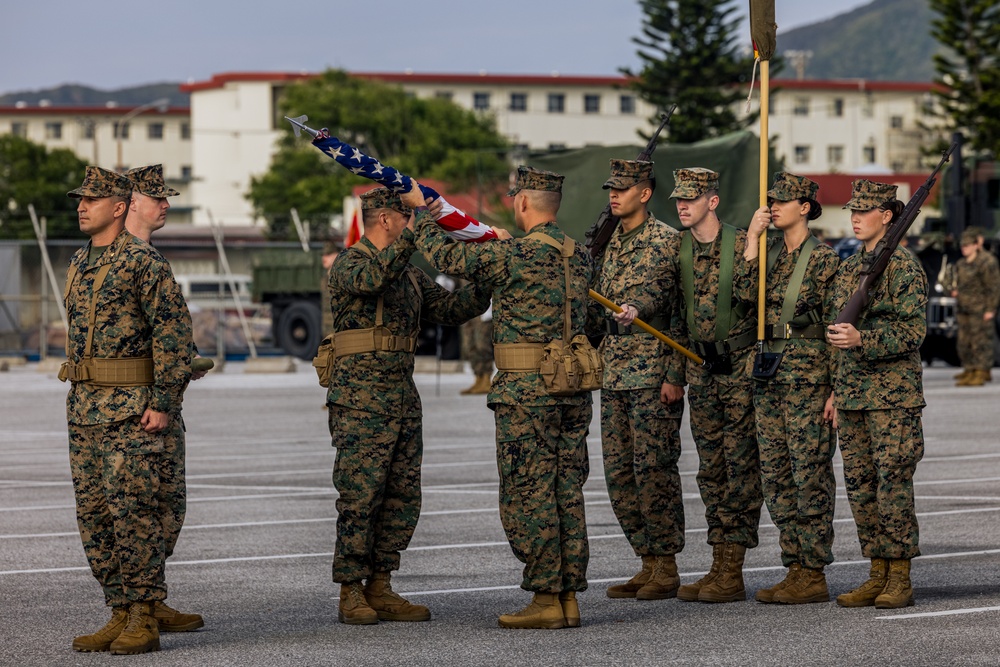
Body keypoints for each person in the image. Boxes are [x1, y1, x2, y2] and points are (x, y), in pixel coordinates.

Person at [411, 166, 597, 629]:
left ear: (521, 203)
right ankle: (568, 596)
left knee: (527, 495)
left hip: (527, 391)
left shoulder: (515, 254)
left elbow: (446, 259)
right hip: (570, 387)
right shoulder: (579, 255)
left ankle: (545, 597)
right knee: (564, 492)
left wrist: (423, 215)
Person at [327, 187, 490, 625]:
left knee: (402, 495)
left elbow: (454, 308)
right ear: (386, 219)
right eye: (406, 217)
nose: (410, 224)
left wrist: (490, 276)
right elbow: (372, 281)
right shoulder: (352, 263)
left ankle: (381, 584)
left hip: (401, 396)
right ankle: (351, 589)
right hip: (360, 399)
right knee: (361, 495)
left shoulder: (409, 275)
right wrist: (414, 239)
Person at [60, 166, 193, 654]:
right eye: (81, 200)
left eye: (91, 200)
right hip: (85, 411)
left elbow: (174, 337)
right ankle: (119, 609)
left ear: (118, 208)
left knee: (135, 512)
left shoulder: (142, 262)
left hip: (132, 413)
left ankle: (143, 613)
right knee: (95, 515)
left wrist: (164, 403)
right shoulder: (78, 262)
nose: (81, 207)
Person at [826, 179, 927, 609]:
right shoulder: (850, 268)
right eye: (852, 209)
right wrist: (834, 389)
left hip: (892, 398)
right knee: (862, 487)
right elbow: (835, 334)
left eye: (864, 210)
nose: (855, 216)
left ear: (887, 216)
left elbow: (912, 330)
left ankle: (899, 575)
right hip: (851, 396)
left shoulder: (903, 266)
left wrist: (864, 339)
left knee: (892, 486)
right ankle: (877, 571)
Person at [588, 158, 686, 601]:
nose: (614, 195)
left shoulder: (666, 241)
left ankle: (666, 565)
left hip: (652, 374)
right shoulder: (606, 242)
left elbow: (670, 301)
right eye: (611, 188)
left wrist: (674, 374)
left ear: (644, 193)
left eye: (623, 189)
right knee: (619, 473)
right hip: (614, 371)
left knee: (654, 472)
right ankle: (645, 561)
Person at [664, 168, 762, 604]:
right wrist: (674, 373)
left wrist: (755, 245)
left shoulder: (742, 244)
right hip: (699, 370)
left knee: (740, 467)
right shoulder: (677, 247)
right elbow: (674, 315)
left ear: (713, 201)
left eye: (691, 198)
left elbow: (753, 300)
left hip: (738, 369)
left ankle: (733, 567)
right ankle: (718, 560)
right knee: (711, 469)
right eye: (679, 199)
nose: (682, 205)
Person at [741, 172, 840, 604]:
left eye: (782, 201)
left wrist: (838, 389)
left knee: (809, 473)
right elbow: (745, 296)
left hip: (808, 378)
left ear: (804, 207)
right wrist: (750, 238)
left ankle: (813, 570)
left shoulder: (823, 259)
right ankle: (793, 565)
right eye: (770, 201)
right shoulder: (770, 253)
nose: (773, 207)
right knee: (777, 474)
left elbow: (838, 324)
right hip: (770, 375)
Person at [122, 164, 206, 632]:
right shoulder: (128, 258)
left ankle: (150, 599)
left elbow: (166, 332)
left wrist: (183, 362)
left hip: (155, 400)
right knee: (143, 508)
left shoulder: (149, 258)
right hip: (136, 407)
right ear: (132, 202)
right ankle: (139, 605)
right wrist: (160, 398)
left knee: (166, 506)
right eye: (157, 197)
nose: (165, 204)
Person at [951, 227, 1000, 386]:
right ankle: (970, 369)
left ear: (976, 245)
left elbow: (993, 287)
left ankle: (981, 371)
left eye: (967, 245)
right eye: (962, 246)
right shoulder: (961, 263)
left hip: (980, 308)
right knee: (965, 341)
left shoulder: (987, 262)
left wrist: (990, 309)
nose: (964, 248)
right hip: (964, 308)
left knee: (981, 341)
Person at [459, 301, 494, 394]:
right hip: (468, 309)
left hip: (483, 310)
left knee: (482, 345)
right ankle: (478, 378)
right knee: (469, 345)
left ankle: (486, 379)